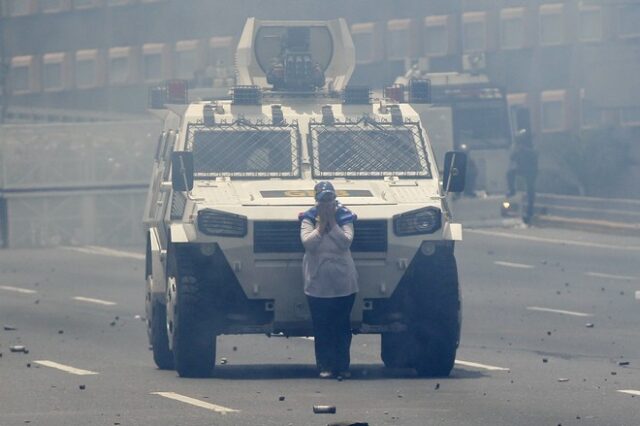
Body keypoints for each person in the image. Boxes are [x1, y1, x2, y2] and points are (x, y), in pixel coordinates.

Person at [299, 181, 358, 379]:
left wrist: (332, 223)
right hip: (317, 283)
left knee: (341, 326)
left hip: (343, 283)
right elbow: (308, 244)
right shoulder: (308, 218)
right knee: (322, 327)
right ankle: (325, 365)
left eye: (329, 199)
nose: (326, 204)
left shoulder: (345, 217)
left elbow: (345, 242)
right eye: (322, 200)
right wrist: (321, 226)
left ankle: (342, 366)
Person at [506, 129, 538, 224]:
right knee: (510, 173)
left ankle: (530, 210)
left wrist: (525, 150)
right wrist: (515, 149)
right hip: (523, 168)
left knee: (530, 189)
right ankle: (512, 190)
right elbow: (512, 157)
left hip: (531, 170)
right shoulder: (518, 147)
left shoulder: (531, 145)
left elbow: (536, 153)